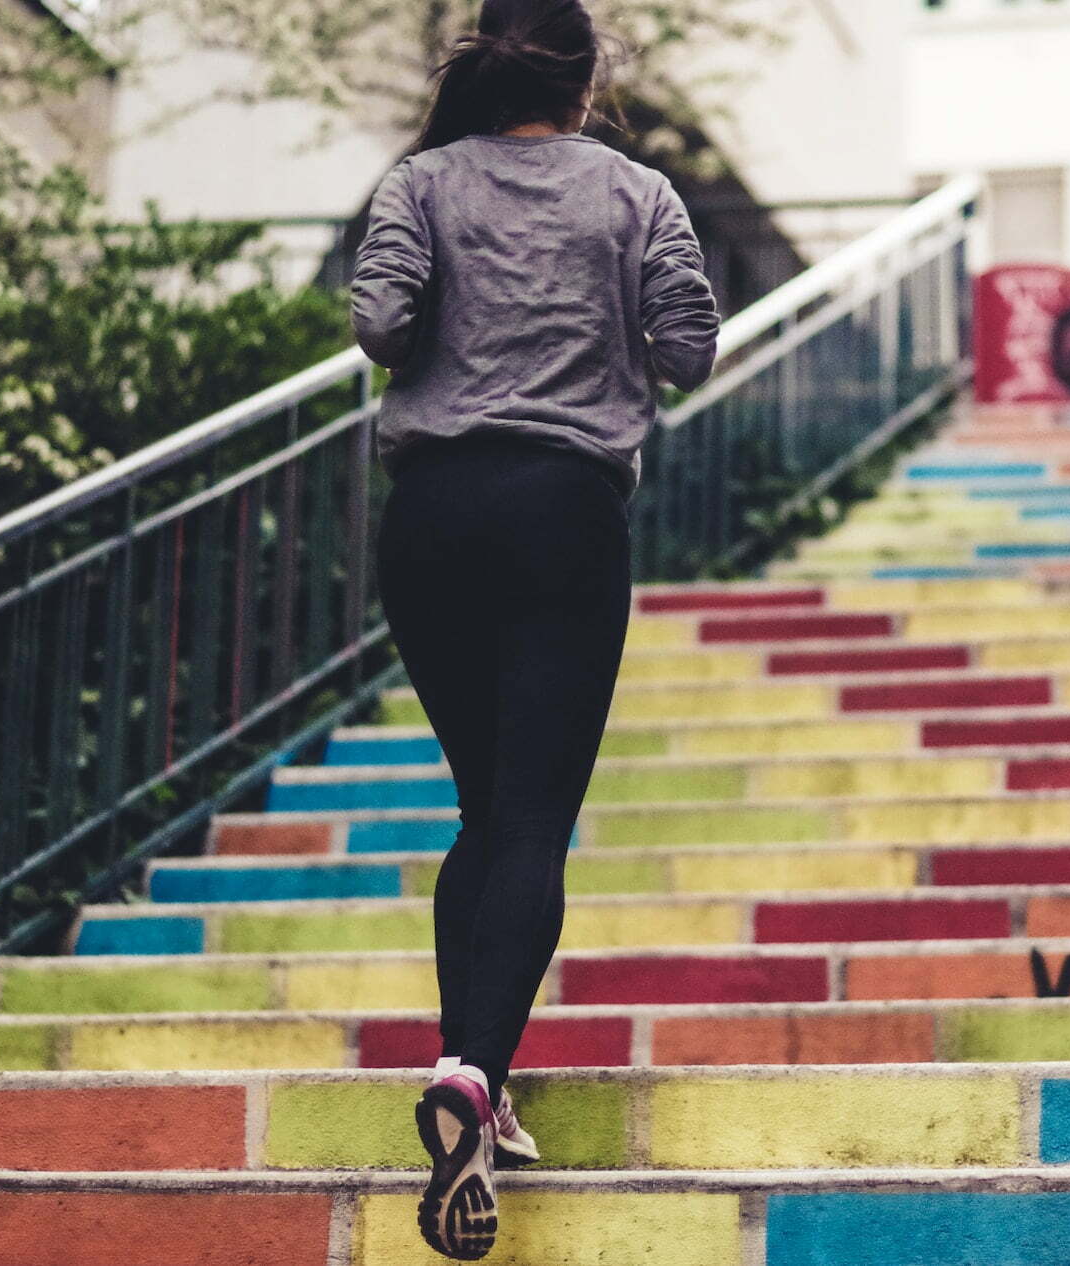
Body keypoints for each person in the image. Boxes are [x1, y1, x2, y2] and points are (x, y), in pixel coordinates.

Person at [349, 0, 720, 1257]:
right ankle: (467, 1075)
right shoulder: (638, 195)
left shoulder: (419, 182)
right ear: (586, 77)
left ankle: (478, 1076)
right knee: (530, 822)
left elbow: (380, 328)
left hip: (432, 516)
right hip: (563, 514)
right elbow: (689, 350)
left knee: (481, 808)